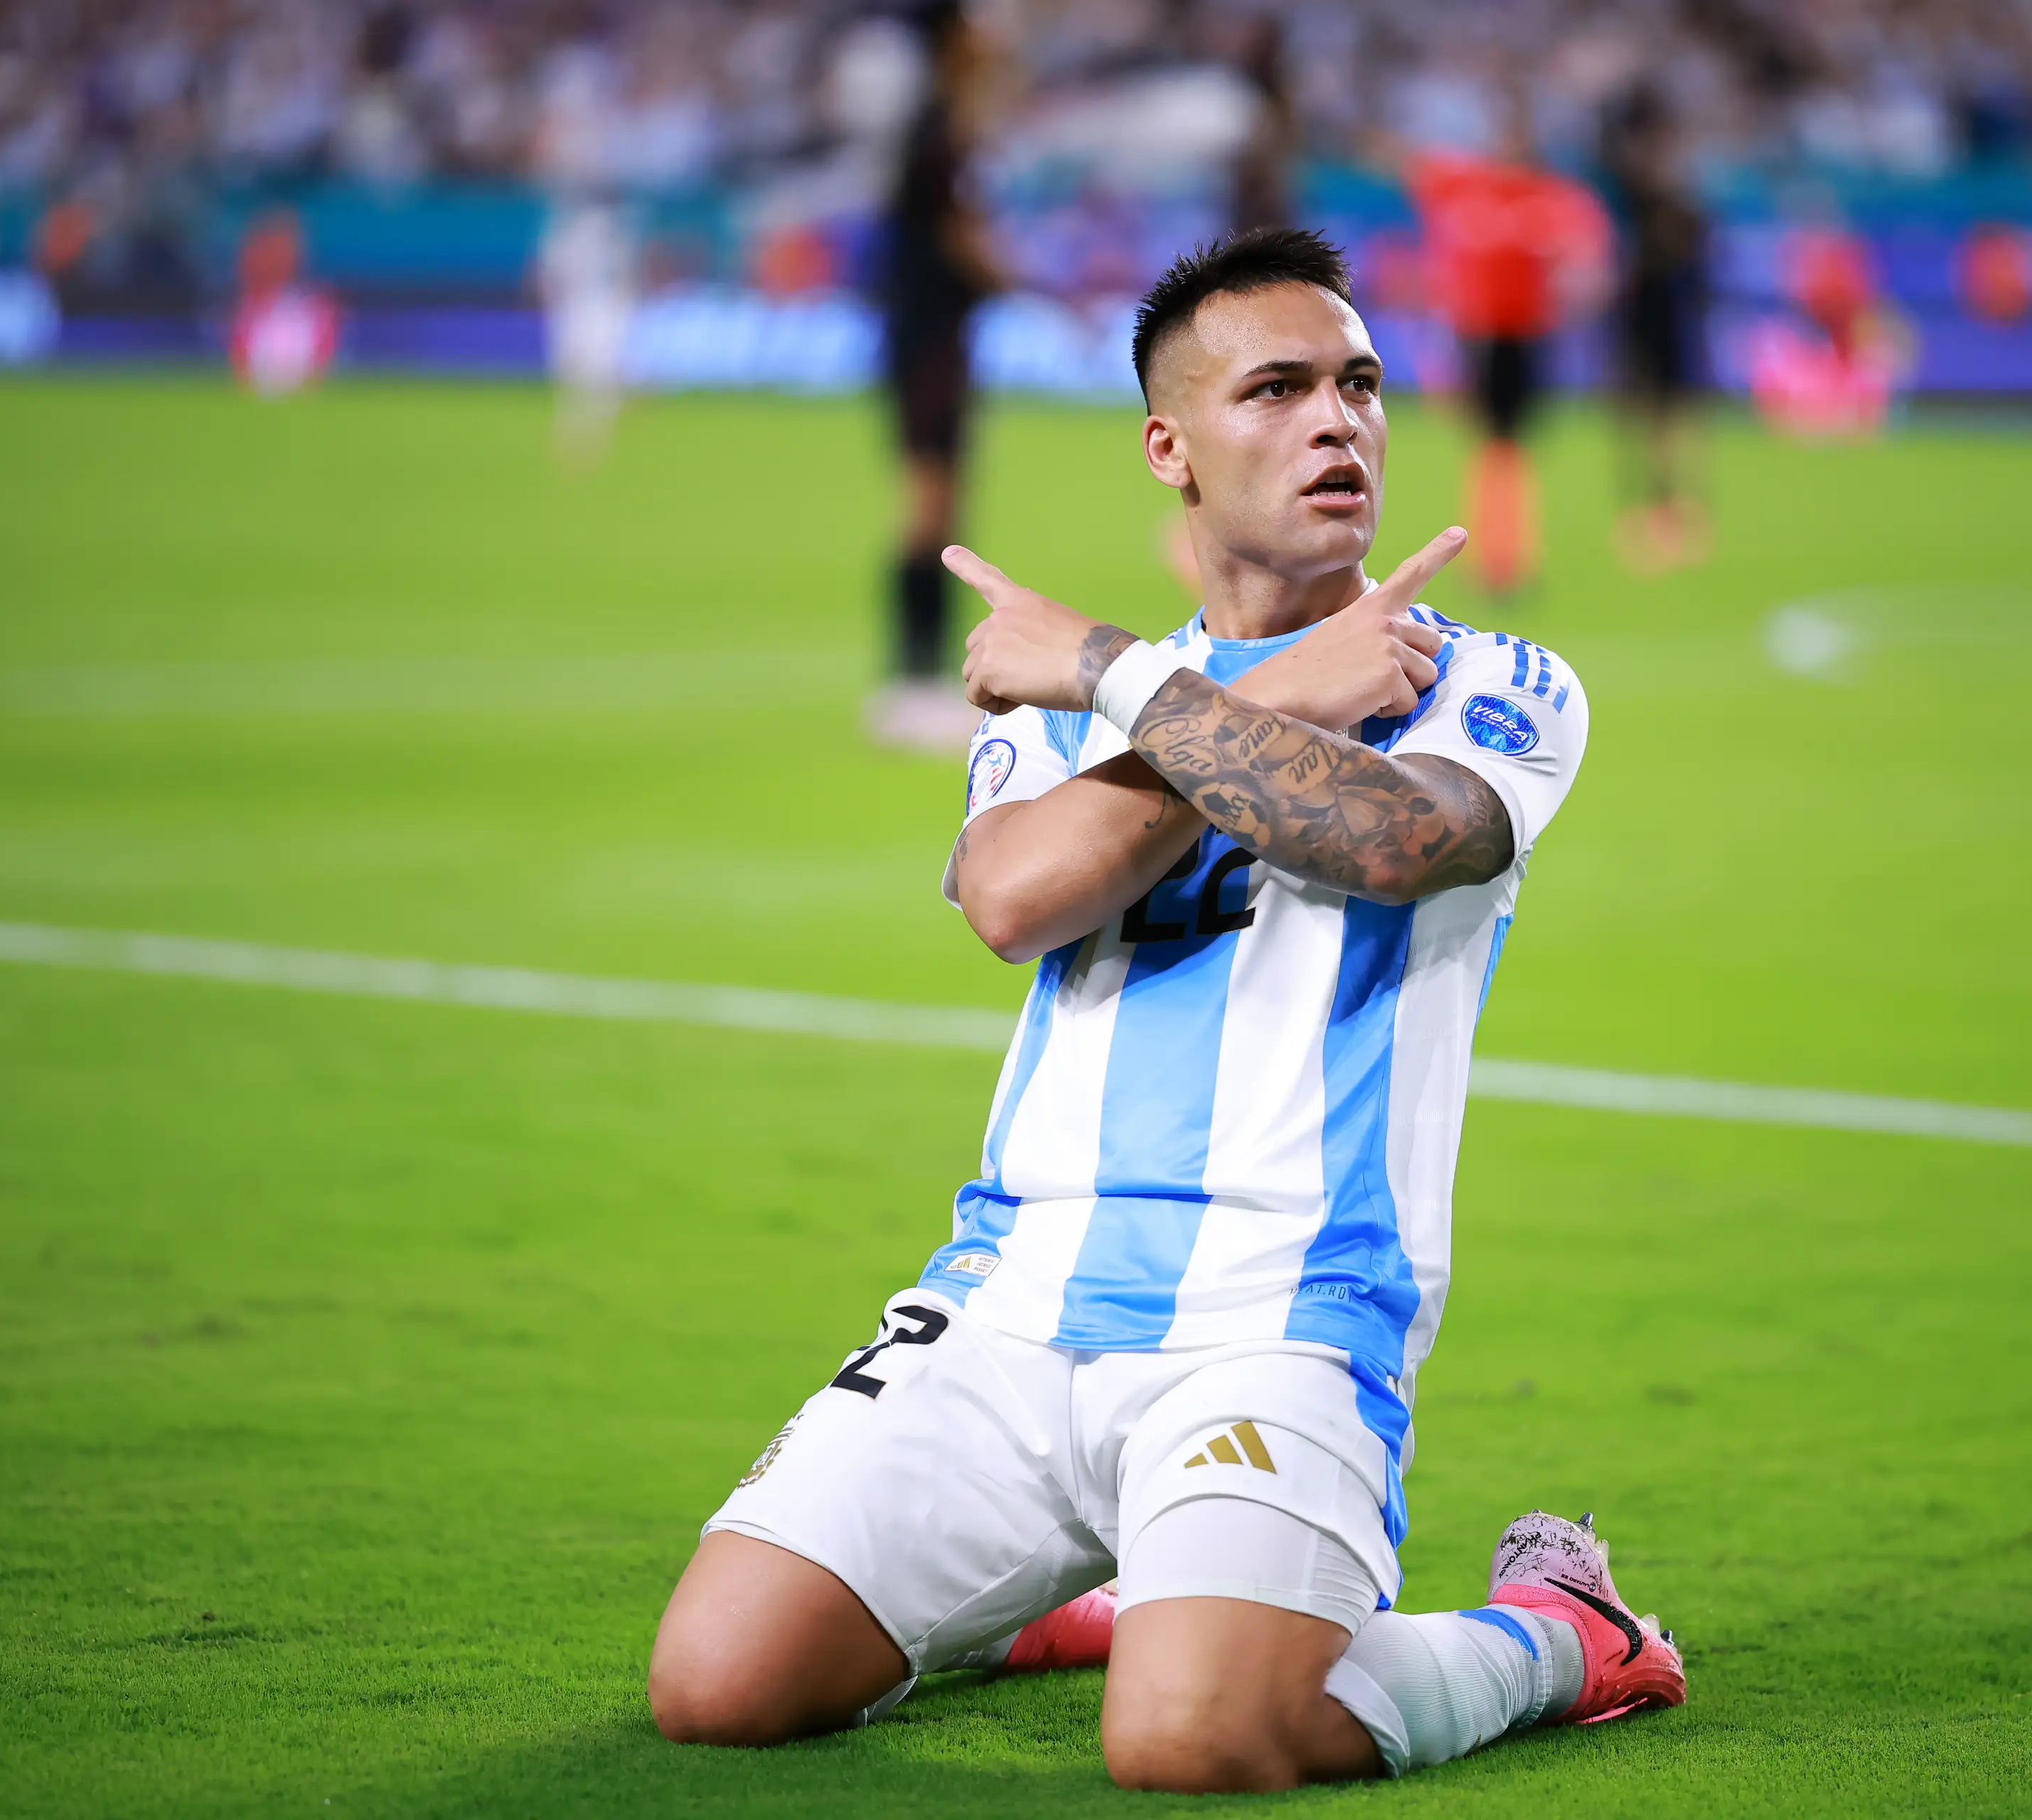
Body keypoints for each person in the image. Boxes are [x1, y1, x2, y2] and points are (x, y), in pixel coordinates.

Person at [649, 228, 1684, 1792]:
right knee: (718, 1684)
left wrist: (1113, 671)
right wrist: (1258, 691)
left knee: (1195, 1736)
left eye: (1359, 385)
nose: (1337, 422)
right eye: (1276, 389)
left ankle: (1559, 1631)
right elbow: (1015, 897)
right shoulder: (1069, 704)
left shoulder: (1489, 679)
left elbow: (1391, 838)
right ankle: (1096, 1594)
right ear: (1170, 447)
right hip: (1010, 1296)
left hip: (1284, 1313)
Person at [1403, 95, 1610, 602]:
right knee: (1491, 448)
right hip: (1480, 335)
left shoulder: (1548, 199)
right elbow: (1411, 166)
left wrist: (1575, 288)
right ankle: (1495, 555)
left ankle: (1506, 555)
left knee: (1510, 449)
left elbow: (1585, 259)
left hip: (1525, 336)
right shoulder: (1469, 188)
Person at [867, 0, 1005, 755]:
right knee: (929, 506)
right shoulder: (939, 128)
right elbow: (956, 235)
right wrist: (1026, 279)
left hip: (933, 333)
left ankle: (915, 684)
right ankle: (910, 684)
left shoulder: (942, 123)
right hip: (926, 337)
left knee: (940, 504)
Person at [1600, 84, 1714, 574]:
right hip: (1638, 325)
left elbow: (1700, 267)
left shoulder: (1685, 206)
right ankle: (1645, 518)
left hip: (1675, 325)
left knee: (1678, 423)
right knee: (1639, 424)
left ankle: (1682, 516)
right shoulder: (1631, 200)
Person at [536, 192, 637, 466]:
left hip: (583, 309)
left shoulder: (569, 233)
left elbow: (548, 276)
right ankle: (589, 433)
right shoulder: (611, 234)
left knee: (585, 375)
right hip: (593, 309)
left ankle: (583, 433)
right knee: (592, 375)